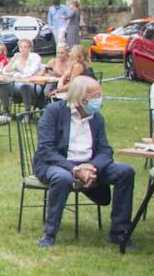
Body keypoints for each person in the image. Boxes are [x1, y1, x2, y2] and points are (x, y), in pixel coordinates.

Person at [31, 76, 135, 248]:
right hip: (58, 164)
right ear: (79, 99)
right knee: (62, 178)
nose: (99, 100)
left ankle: (119, 233)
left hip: (90, 164)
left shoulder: (97, 118)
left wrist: (92, 167)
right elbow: (46, 150)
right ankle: (49, 234)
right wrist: (75, 169)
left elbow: (105, 150)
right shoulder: (54, 112)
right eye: (95, 96)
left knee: (126, 171)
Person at [1, 37, 45, 108]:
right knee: (3, 84)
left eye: (25, 47)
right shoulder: (17, 57)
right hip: (19, 84)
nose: (22, 49)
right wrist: (13, 61)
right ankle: (6, 110)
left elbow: (29, 73)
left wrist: (22, 61)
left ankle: (27, 113)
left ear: (30, 48)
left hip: (34, 85)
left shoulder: (35, 57)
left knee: (24, 86)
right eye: (20, 47)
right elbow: (5, 71)